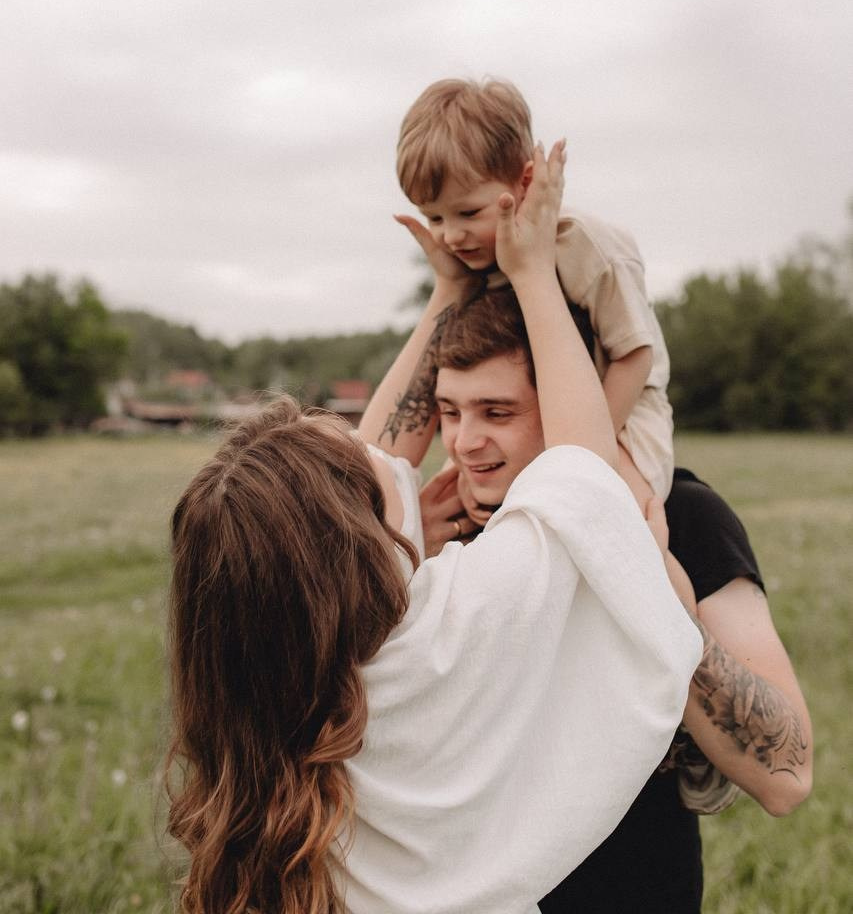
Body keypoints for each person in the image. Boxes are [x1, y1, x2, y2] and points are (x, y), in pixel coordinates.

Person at [166, 144, 701, 914]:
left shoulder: (281, 700)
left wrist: (447, 291)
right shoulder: (442, 632)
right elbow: (581, 471)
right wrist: (525, 275)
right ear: (355, 551)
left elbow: (363, 472)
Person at [370, 285, 813, 913]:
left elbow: (786, 777)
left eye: (497, 413)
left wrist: (645, 579)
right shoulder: (429, 531)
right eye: (449, 412)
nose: (464, 442)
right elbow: (363, 469)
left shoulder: (682, 518)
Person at [394, 76, 674, 506]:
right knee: (462, 502)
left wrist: (576, 459)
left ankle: (668, 573)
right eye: (434, 218)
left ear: (525, 182)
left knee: (618, 510)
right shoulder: (476, 263)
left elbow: (635, 357)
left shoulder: (584, 245)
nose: (451, 235)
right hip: (523, 428)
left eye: (468, 212)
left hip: (625, 414)